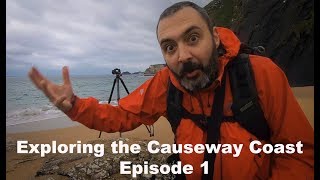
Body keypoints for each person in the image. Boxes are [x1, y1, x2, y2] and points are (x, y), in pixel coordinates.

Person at [28, 1, 314, 179]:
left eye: (192, 38)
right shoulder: (167, 83)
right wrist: (74, 106)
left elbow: (300, 155)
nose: (183, 55)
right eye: (169, 47)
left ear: (214, 38)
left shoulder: (260, 75)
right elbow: (121, 116)